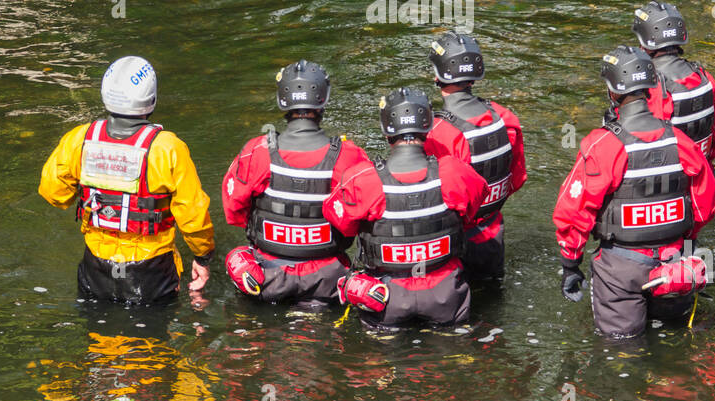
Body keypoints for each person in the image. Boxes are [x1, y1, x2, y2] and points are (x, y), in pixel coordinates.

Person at [553, 46, 715, 339]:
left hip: (621, 269)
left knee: (620, 352)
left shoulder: (602, 145)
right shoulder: (680, 141)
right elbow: (705, 205)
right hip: (675, 264)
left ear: (612, 92)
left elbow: (573, 211)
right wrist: (684, 240)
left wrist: (570, 264)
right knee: (674, 340)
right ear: (651, 85)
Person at [39, 56, 214, 305]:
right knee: (152, 342)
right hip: (150, 273)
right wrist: (203, 257)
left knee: (97, 340)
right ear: (151, 98)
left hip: (95, 269)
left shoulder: (79, 139)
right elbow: (193, 214)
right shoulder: (167, 148)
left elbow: (53, 193)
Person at [326, 87, 488, 328]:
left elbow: (341, 225)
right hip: (444, 294)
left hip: (385, 296)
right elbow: (476, 206)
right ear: (428, 125)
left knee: (382, 355)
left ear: (385, 129)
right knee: (452, 351)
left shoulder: (362, 178)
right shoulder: (454, 171)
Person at [220, 60, 370, 307]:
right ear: (323, 100)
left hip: (266, 278)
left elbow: (233, 212)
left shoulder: (256, 151)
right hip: (329, 281)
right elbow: (364, 220)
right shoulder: (350, 155)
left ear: (282, 101)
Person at [423, 32, 526, 280]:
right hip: (492, 236)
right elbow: (517, 178)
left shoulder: (436, 132)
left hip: (452, 246)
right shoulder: (505, 117)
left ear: (438, 75)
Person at [632, 1, 715, 168]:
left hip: (667, 179)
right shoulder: (703, 77)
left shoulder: (651, 88)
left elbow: (641, 142)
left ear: (645, 42)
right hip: (701, 169)